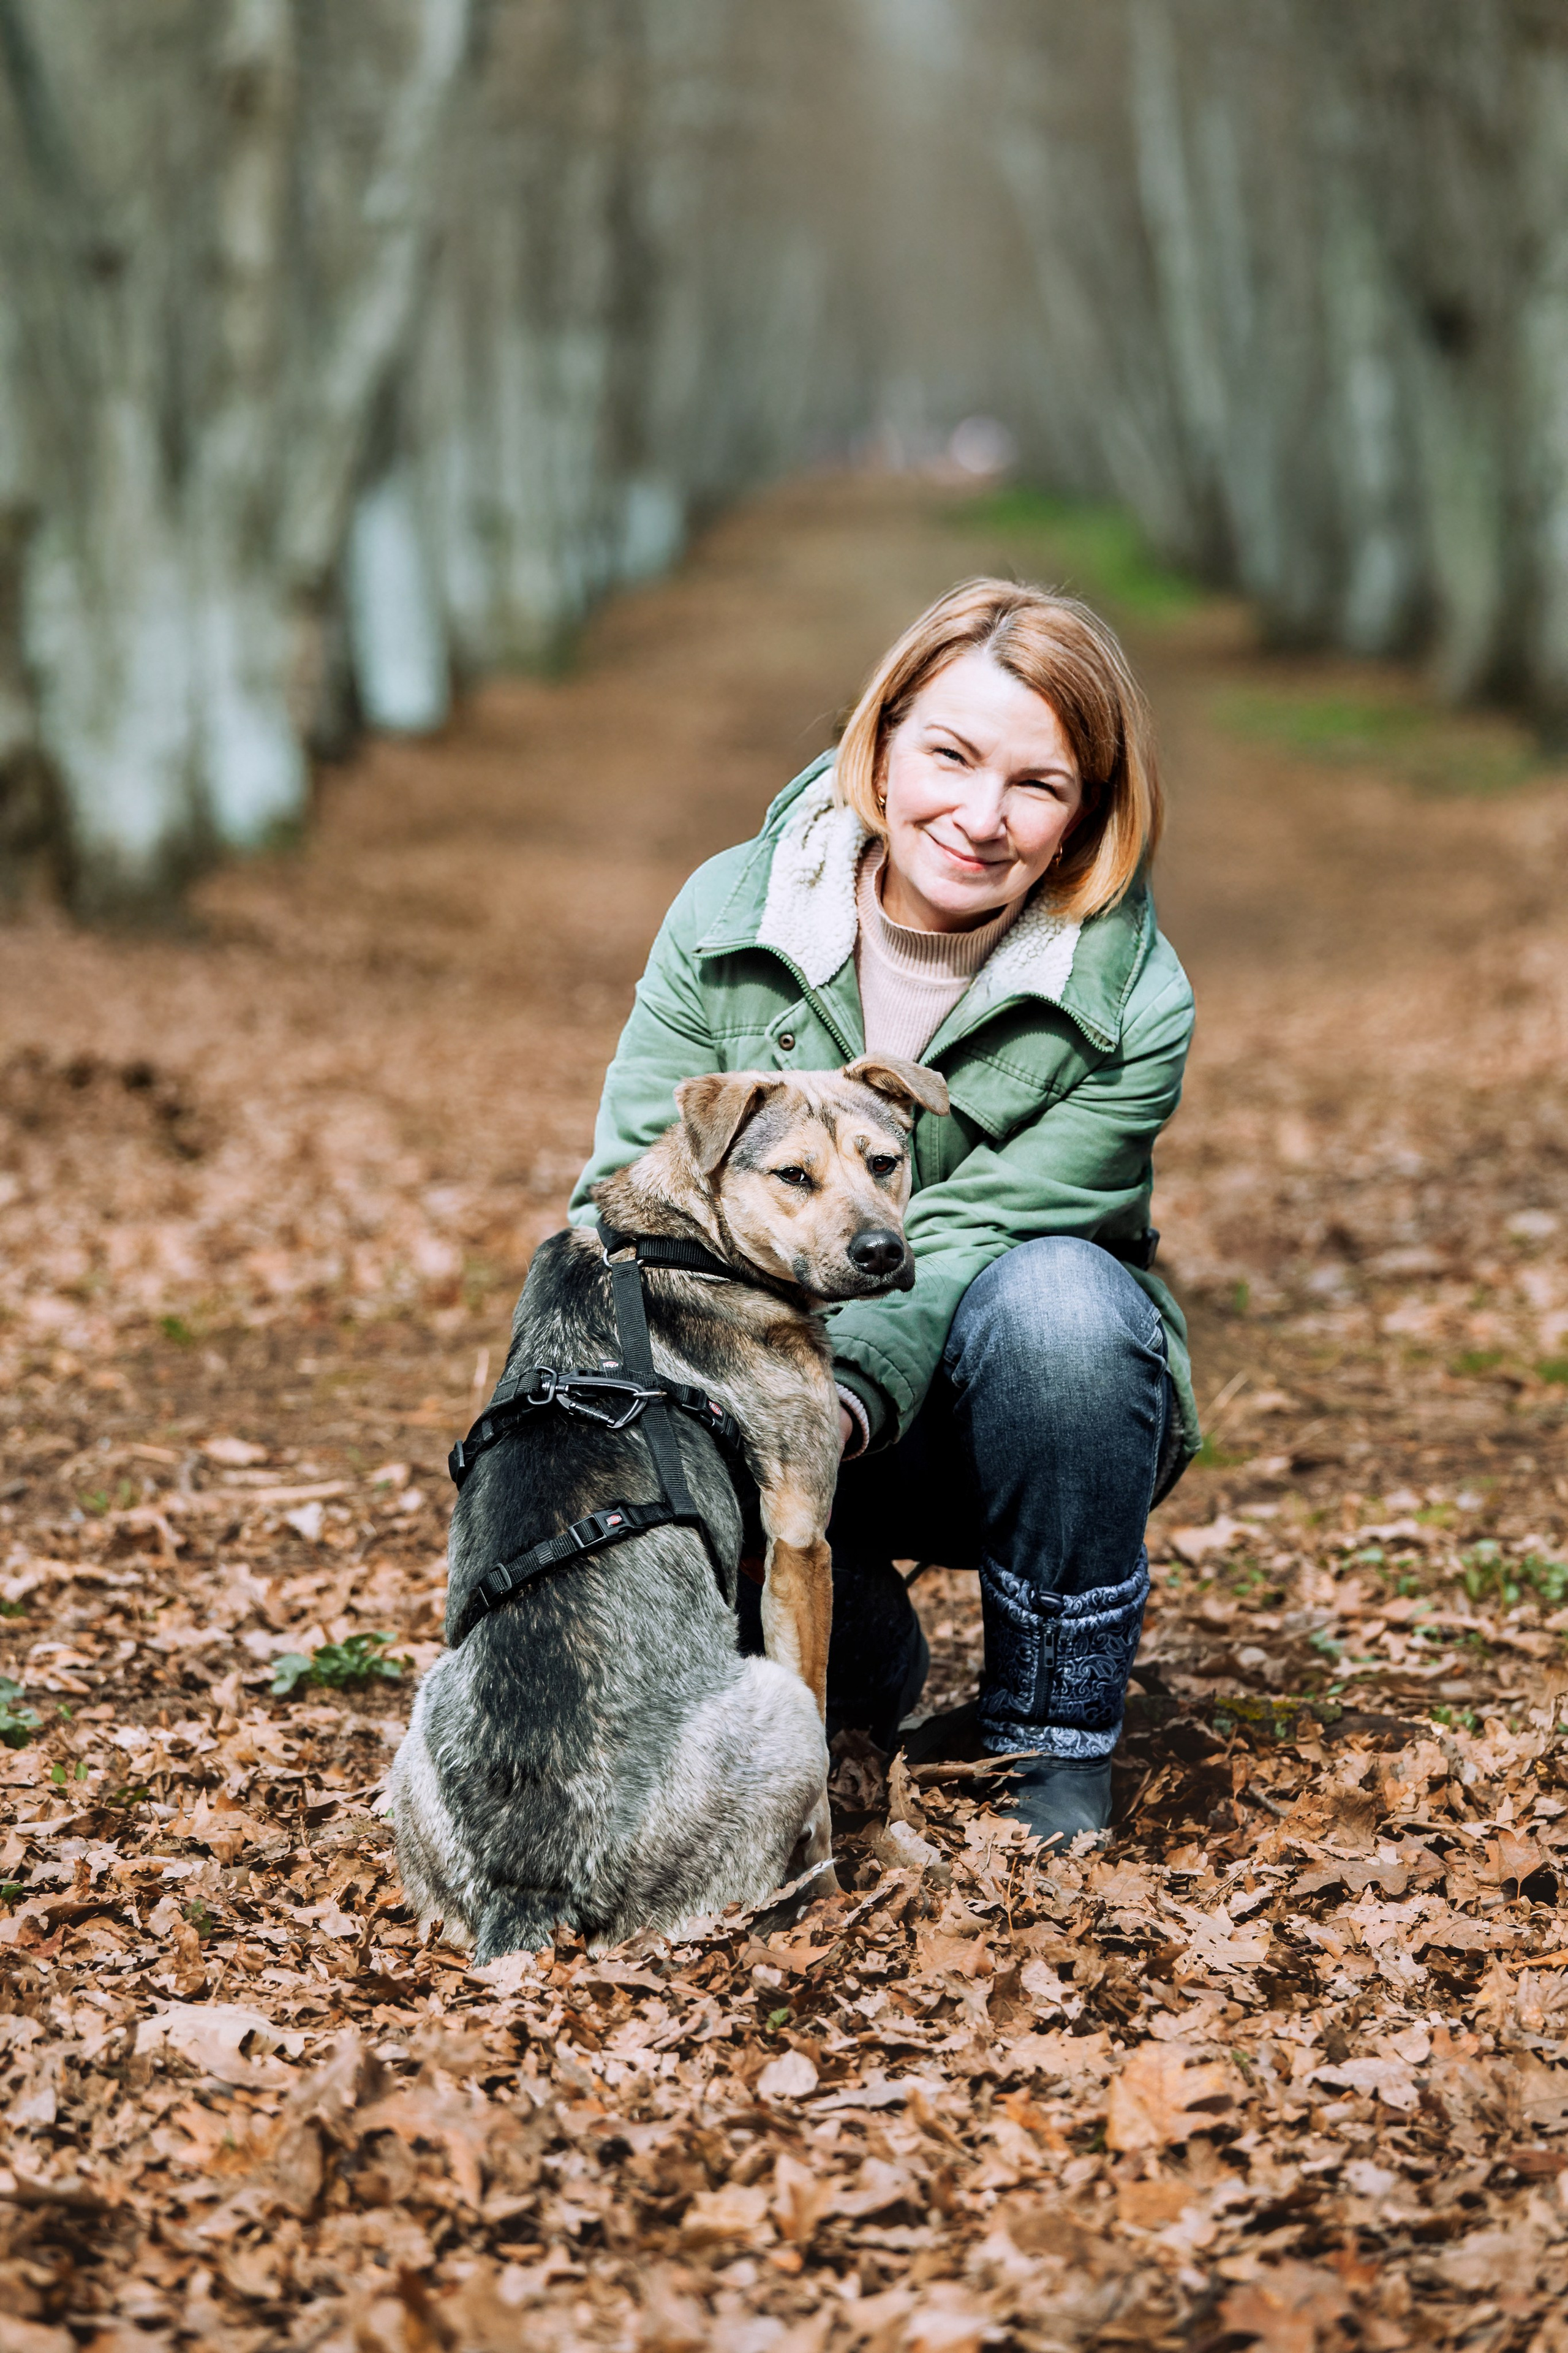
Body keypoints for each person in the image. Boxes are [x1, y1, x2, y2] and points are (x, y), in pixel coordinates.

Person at [570, 577, 1197, 1846]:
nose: (978, 817)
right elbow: (630, 1190)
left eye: (1037, 784)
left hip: (996, 1418)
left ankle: (1051, 1737)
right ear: (882, 739)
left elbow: (978, 1233)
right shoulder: (729, 916)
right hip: (750, 1408)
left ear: (1084, 815)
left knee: (1068, 1302)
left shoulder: (1133, 1002)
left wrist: (837, 1390)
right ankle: (843, 1670)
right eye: (949, 755)